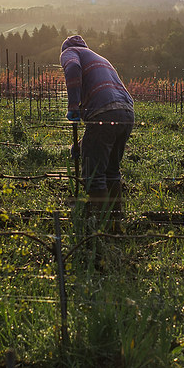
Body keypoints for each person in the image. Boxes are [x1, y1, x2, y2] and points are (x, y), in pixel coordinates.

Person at [60, 35, 134, 226]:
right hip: (126, 113)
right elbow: (101, 132)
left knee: (93, 175)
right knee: (111, 171)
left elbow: (73, 68)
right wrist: (82, 146)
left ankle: (101, 226)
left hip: (104, 112)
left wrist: (73, 106)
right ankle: (116, 222)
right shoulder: (99, 57)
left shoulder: (70, 52)